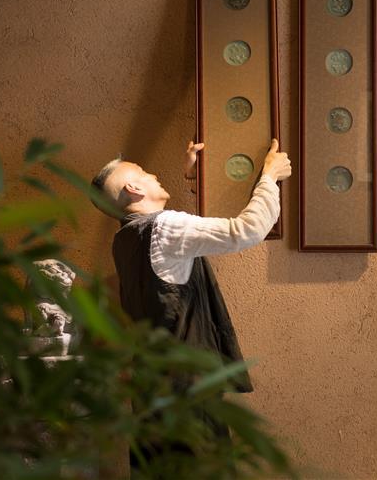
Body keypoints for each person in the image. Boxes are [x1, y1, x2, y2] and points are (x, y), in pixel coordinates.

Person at [90, 139, 290, 460]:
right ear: (133, 188)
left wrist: (199, 178)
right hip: (189, 399)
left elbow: (182, 245)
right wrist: (269, 176)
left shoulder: (125, 239)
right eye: (143, 172)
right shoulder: (164, 229)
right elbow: (247, 230)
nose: (153, 174)